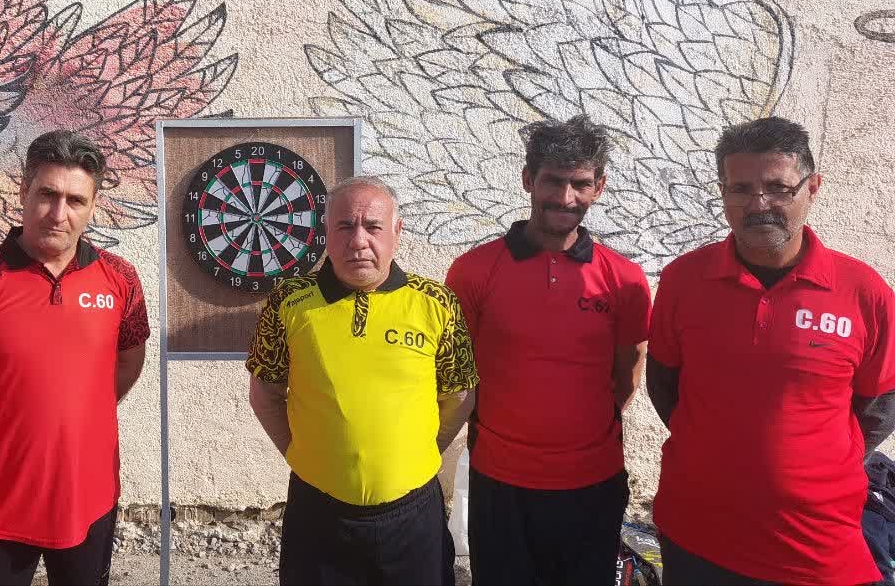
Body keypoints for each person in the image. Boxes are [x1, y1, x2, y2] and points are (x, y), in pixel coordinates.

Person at [647, 116, 895, 584]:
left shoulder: (864, 293)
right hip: (697, 533)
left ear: (812, 187)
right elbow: (665, 386)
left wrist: (810, 462)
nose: (758, 205)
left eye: (778, 188)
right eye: (740, 189)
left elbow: (880, 406)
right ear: (722, 192)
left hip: (815, 545)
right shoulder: (683, 279)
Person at [0, 130, 149, 586]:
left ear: (93, 205)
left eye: (75, 200)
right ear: (24, 190)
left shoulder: (120, 278)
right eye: (47, 194)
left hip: (90, 500)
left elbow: (130, 360)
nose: (59, 214)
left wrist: (76, 419)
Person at [444, 115, 651, 585]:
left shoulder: (625, 279)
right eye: (553, 181)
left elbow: (629, 370)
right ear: (528, 180)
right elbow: (459, 372)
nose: (565, 197)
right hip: (500, 482)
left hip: (593, 481)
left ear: (599, 187)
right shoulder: (473, 271)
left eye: (580, 183)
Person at [247, 176, 478, 586]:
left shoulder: (436, 302)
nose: (358, 241)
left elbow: (459, 395)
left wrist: (414, 458)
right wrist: (305, 456)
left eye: (372, 226)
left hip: (413, 516)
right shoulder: (288, 301)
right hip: (318, 513)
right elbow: (266, 395)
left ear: (396, 231)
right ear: (326, 232)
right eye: (344, 226)